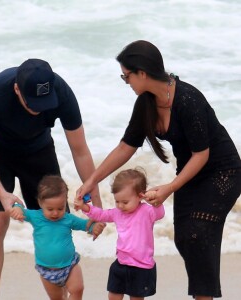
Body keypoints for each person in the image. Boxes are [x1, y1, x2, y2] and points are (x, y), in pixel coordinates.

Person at [76, 40, 241, 300]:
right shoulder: (146, 103)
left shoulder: (188, 99)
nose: (126, 81)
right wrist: (91, 181)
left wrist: (170, 188)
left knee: (197, 234)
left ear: (142, 72)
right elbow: (126, 146)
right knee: (184, 238)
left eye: (126, 76)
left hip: (223, 172)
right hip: (190, 173)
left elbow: (202, 154)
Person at [0, 58, 104, 300]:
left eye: (44, 103)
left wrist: (96, 199)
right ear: (16, 89)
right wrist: (2, 194)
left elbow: (80, 149)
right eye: (32, 103)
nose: (39, 109)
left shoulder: (62, 92)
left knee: (56, 219)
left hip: (38, 151)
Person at [74, 168, 165, 300]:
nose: (120, 206)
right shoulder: (117, 213)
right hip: (121, 263)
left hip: (141, 266)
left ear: (140, 196)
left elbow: (160, 213)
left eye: (125, 202)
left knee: (136, 298)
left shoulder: (147, 212)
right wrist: (84, 207)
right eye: (117, 201)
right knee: (113, 295)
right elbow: (101, 214)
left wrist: (155, 200)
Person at [11, 175, 98, 300]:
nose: (56, 213)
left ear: (65, 202)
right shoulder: (36, 217)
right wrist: (17, 209)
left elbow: (86, 225)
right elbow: (20, 208)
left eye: (60, 208)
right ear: (40, 203)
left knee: (77, 289)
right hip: (47, 271)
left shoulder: (68, 219)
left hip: (70, 266)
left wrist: (94, 227)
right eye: (50, 209)